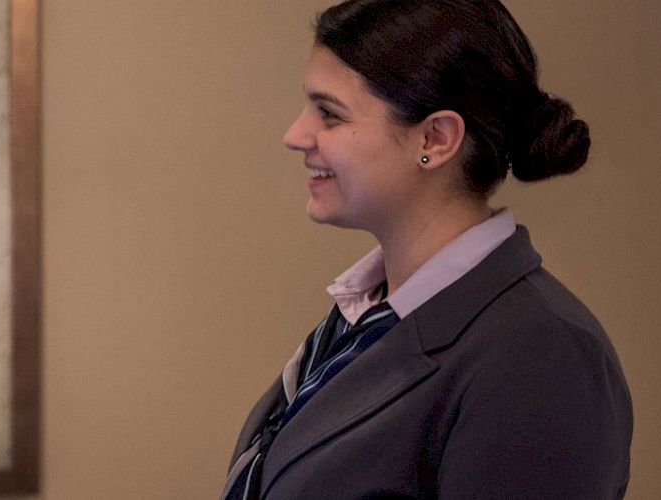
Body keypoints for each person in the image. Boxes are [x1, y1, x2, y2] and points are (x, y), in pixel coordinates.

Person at [224, 0, 631, 498]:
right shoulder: (367, 316)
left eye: (329, 114)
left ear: (435, 139)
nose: (295, 135)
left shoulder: (542, 357)